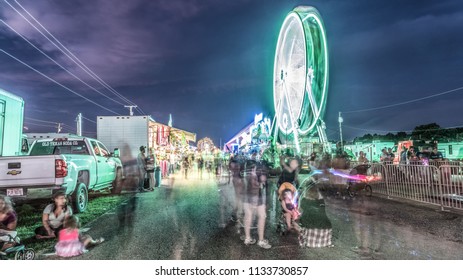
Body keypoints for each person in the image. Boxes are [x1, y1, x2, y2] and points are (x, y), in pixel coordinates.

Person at [243, 162, 271, 249]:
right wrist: (254, 203)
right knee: (254, 217)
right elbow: (254, 190)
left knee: (255, 217)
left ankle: (251, 238)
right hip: (251, 199)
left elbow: (262, 190)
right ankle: (257, 240)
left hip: (253, 198)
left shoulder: (255, 175)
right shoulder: (253, 177)